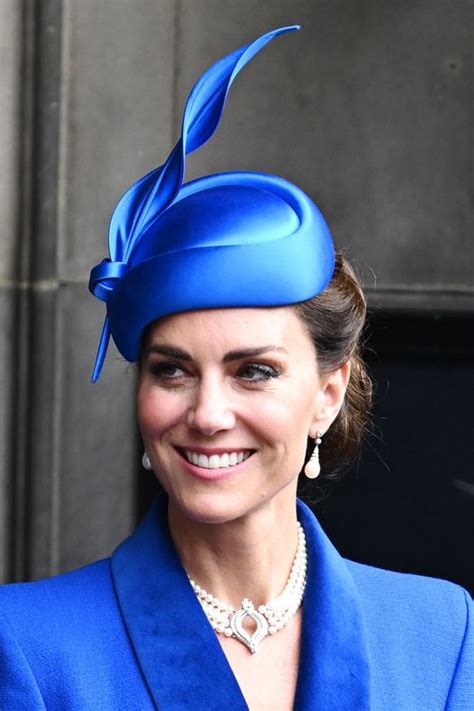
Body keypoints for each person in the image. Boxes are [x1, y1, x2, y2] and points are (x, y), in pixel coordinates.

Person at [0, 25, 472, 711]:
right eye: (172, 370)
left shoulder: (440, 635)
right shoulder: (29, 644)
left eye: (253, 370)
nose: (208, 414)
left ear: (328, 394)